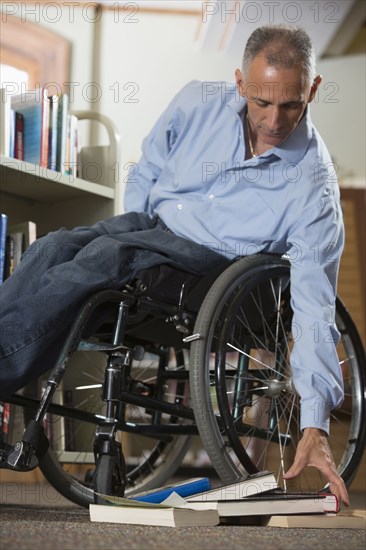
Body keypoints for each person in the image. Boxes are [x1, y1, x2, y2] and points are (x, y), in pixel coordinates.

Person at [0, 24, 349, 505]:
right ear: (240, 83)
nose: (273, 120)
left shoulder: (314, 185)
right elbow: (150, 164)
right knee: (51, 248)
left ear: (312, 90)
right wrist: (138, 221)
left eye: (290, 104)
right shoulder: (197, 101)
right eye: (262, 103)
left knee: (107, 259)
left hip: (215, 263)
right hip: (151, 225)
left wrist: (314, 420)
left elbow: (314, 307)